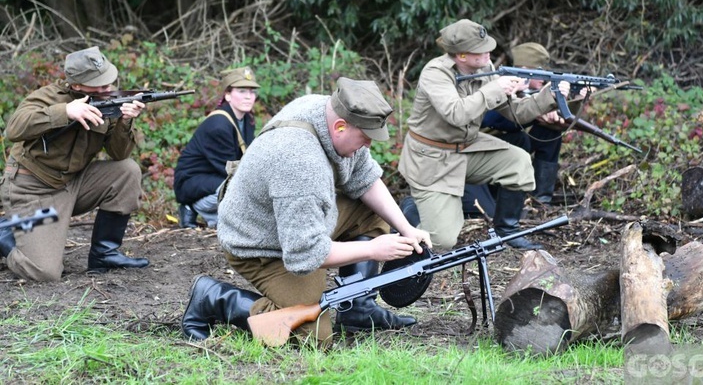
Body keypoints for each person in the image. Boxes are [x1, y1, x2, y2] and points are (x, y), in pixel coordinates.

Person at [181, 77, 432, 345]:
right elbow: (305, 253)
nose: (368, 145)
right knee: (313, 336)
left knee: (372, 210)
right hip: (260, 244)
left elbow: (366, 177)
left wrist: (408, 229)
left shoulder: (331, 111)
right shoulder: (300, 164)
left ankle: (359, 309)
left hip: (296, 221)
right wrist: (374, 250)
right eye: (365, 138)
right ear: (340, 127)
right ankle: (214, 298)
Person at [398, 19, 570, 252]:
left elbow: (515, 112)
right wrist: (495, 89)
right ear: (461, 56)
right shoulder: (435, 73)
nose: (489, 52)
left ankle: (507, 231)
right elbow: (456, 114)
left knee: (518, 162)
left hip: (467, 147)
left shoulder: (485, 69)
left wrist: (548, 96)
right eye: (481, 50)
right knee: (442, 242)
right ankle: (410, 211)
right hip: (432, 158)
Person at [0, 46, 149, 282]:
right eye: (98, 85)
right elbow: (14, 129)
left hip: (73, 183)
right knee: (45, 273)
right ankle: (6, 235)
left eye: (108, 83)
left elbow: (118, 154)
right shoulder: (48, 97)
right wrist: (65, 111)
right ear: (76, 85)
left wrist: (124, 122)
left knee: (127, 170)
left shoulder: (107, 101)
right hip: (32, 189)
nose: (106, 89)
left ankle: (104, 254)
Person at [462, 42, 589, 217]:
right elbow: (491, 118)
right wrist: (531, 111)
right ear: (525, 71)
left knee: (549, 133)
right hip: (477, 153)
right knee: (486, 213)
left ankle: (541, 199)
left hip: (508, 147)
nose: (544, 80)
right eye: (541, 74)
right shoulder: (496, 84)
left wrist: (577, 100)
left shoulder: (530, 91)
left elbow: (562, 119)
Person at [173, 67, 259, 228]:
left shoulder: (247, 119)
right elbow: (230, 170)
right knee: (239, 188)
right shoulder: (218, 125)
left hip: (216, 176)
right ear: (227, 95)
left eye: (252, 92)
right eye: (241, 91)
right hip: (193, 182)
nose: (248, 97)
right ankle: (192, 207)